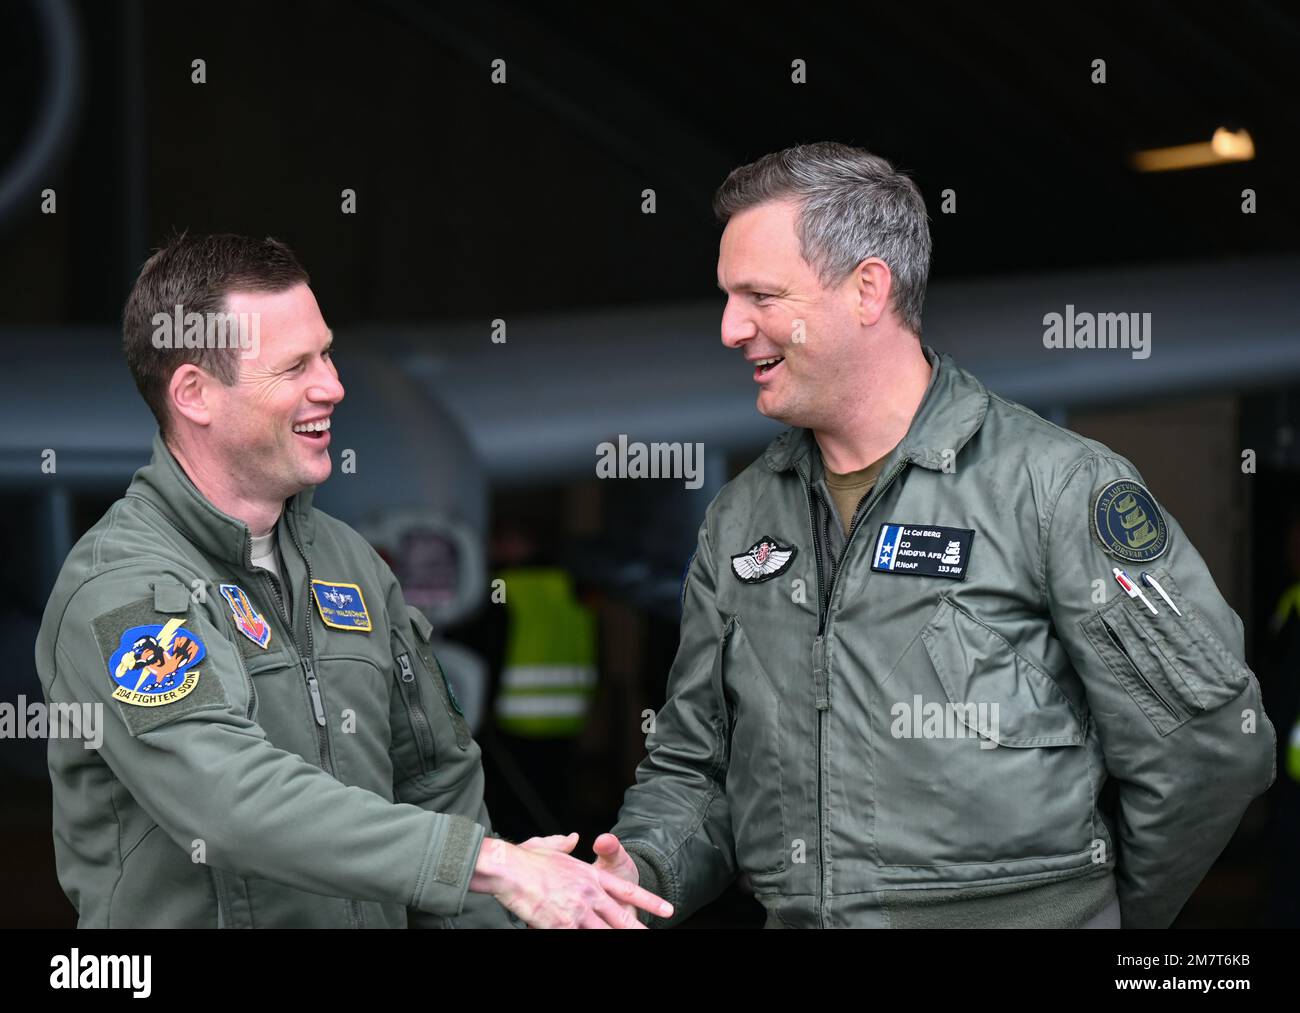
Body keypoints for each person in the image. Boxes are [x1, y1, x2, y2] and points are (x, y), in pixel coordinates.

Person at [592, 142, 1276, 929]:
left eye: (760, 295)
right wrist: (637, 868)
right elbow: (696, 768)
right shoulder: (743, 518)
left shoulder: (1056, 488)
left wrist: (1101, 912)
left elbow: (1211, 746)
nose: (729, 327)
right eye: (727, 296)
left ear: (868, 289)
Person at [34, 232, 672, 929]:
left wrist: (531, 902)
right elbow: (227, 800)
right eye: (295, 366)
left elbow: (436, 780)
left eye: (327, 352)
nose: (333, 386)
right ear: (194, 394)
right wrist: (492, 862)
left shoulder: (350, 562)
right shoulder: (124, 588)